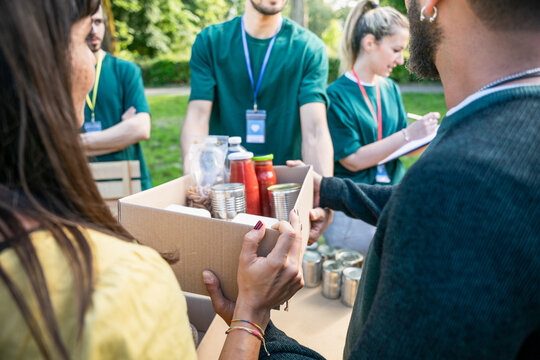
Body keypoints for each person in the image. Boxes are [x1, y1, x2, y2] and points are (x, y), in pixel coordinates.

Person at [213, 0, 540, 357]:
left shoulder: (461, 179)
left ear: (431, 4)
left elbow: (445, 202)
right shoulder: (503, 141)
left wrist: (257, 323)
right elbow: (416, 202)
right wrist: (329, 190)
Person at [0, 0, 304, 358]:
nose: (93, 62)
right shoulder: (123, 285)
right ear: (40, 66)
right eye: (85, 39)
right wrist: (251, 311)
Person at [323, 0, 439, 253]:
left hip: (389, 200)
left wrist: (427, 138)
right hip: (353, 207)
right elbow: (352, 160)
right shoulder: (336, 95)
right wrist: (409, 133)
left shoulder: (390, 89)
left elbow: (399, 147)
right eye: (396, 49)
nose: (400, 60)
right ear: (369, 44)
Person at [180, 0, 334, 177]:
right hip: (224, 182)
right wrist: (195, 181)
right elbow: (197, 118)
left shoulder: (309, 48)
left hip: (287, 183)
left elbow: (315, 131)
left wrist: (324, 196)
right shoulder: (210, 41)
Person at [80, 6, 152, 190]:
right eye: (86, 23)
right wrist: (119, 136)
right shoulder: (60, 75)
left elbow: (141, 128)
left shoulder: (126, 70)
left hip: (127, 180)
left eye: (98, 21)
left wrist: (77, 144)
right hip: (81, 183)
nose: (93, 30)